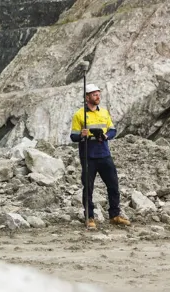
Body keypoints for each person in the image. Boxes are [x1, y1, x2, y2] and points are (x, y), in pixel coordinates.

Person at [70, 84, 130, 228]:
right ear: (87, 97)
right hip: (88, 154)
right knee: (88, 187)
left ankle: (114, 215)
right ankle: (89, 217)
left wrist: (105, 135)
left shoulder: (104, 112)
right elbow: (73, 136)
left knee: (113, 185)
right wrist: (81, 135)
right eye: (94, 94)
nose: (98, 97)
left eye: (98, 94)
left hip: (104, 153)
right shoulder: (79, 114)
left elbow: (113, 130)